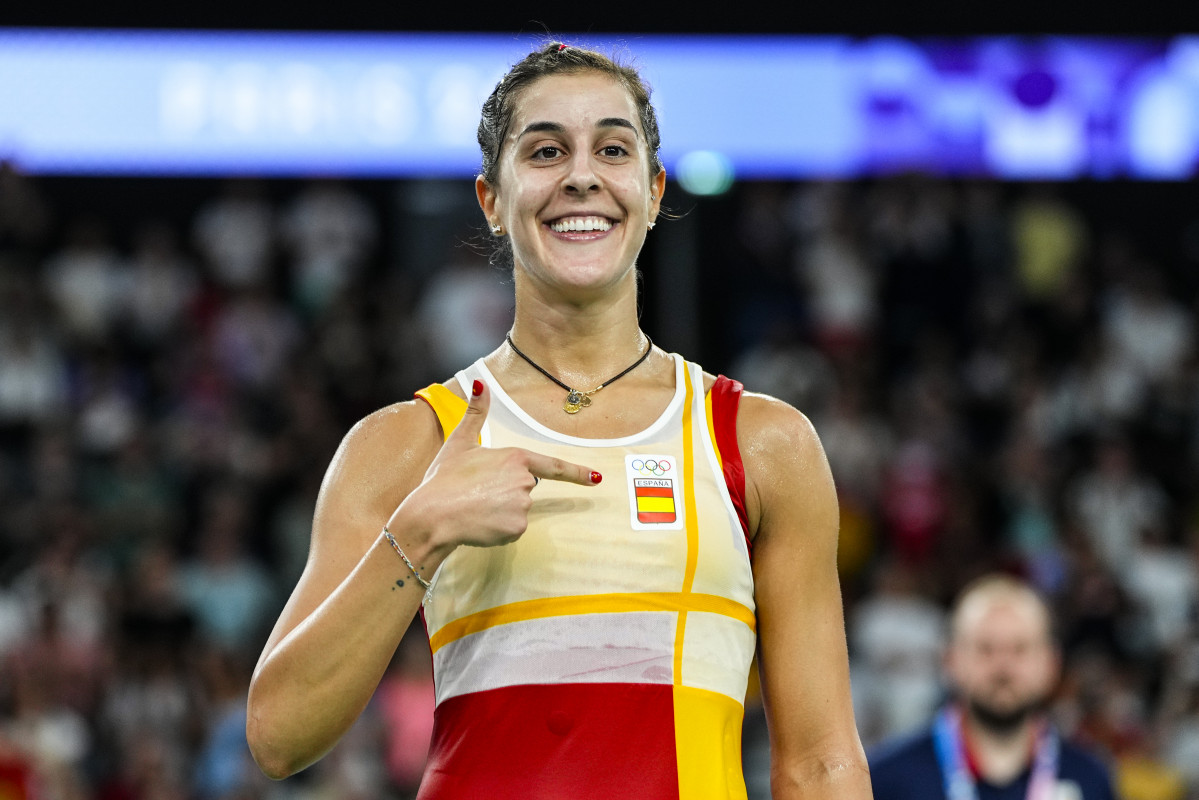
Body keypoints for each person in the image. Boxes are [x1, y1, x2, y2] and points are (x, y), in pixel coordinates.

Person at [246, 41, 871, 799]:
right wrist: (418, 533)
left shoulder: (760, 442)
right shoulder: (405, 444)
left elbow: (818, 762)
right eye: (545, 151)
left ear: (651, 188)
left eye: (612, 148)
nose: (581, 176)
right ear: (492, 200)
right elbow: (278, 738)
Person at [869, 573, 1117, 800]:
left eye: (1020, 649)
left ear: (1051, 664)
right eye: (985, 649)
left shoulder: (1091, 778)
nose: (1003, 667)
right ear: (950, 661)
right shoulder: (887, 779)